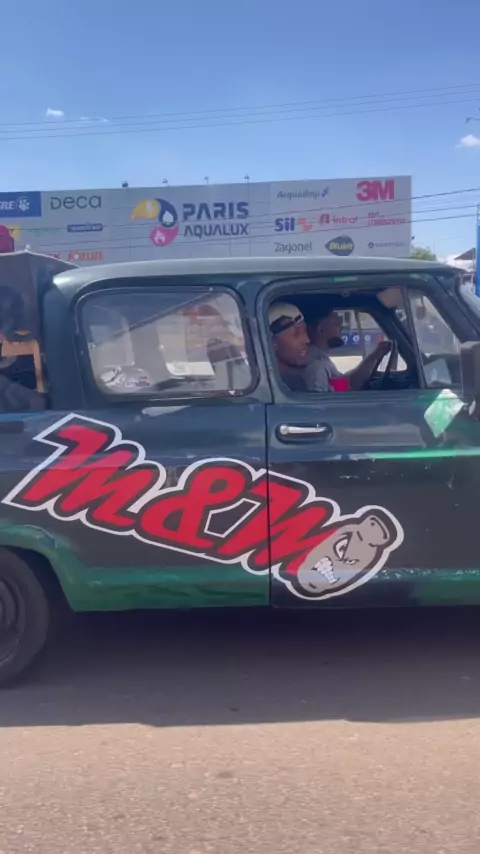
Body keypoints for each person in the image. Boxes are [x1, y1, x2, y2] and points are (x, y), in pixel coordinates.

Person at [305, 308, 391, 391]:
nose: (341, 327)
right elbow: (320, 400)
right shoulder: (317, 366)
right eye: (335, 323)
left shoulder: (320, 359)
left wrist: (374, 356)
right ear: (320, 328)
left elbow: (347, 384)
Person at [268, 302, 310, 392]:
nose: (307, 340)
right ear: (272, 342)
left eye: (305, 331)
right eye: (296, 333)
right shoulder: (273, 389)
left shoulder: (295, 383)